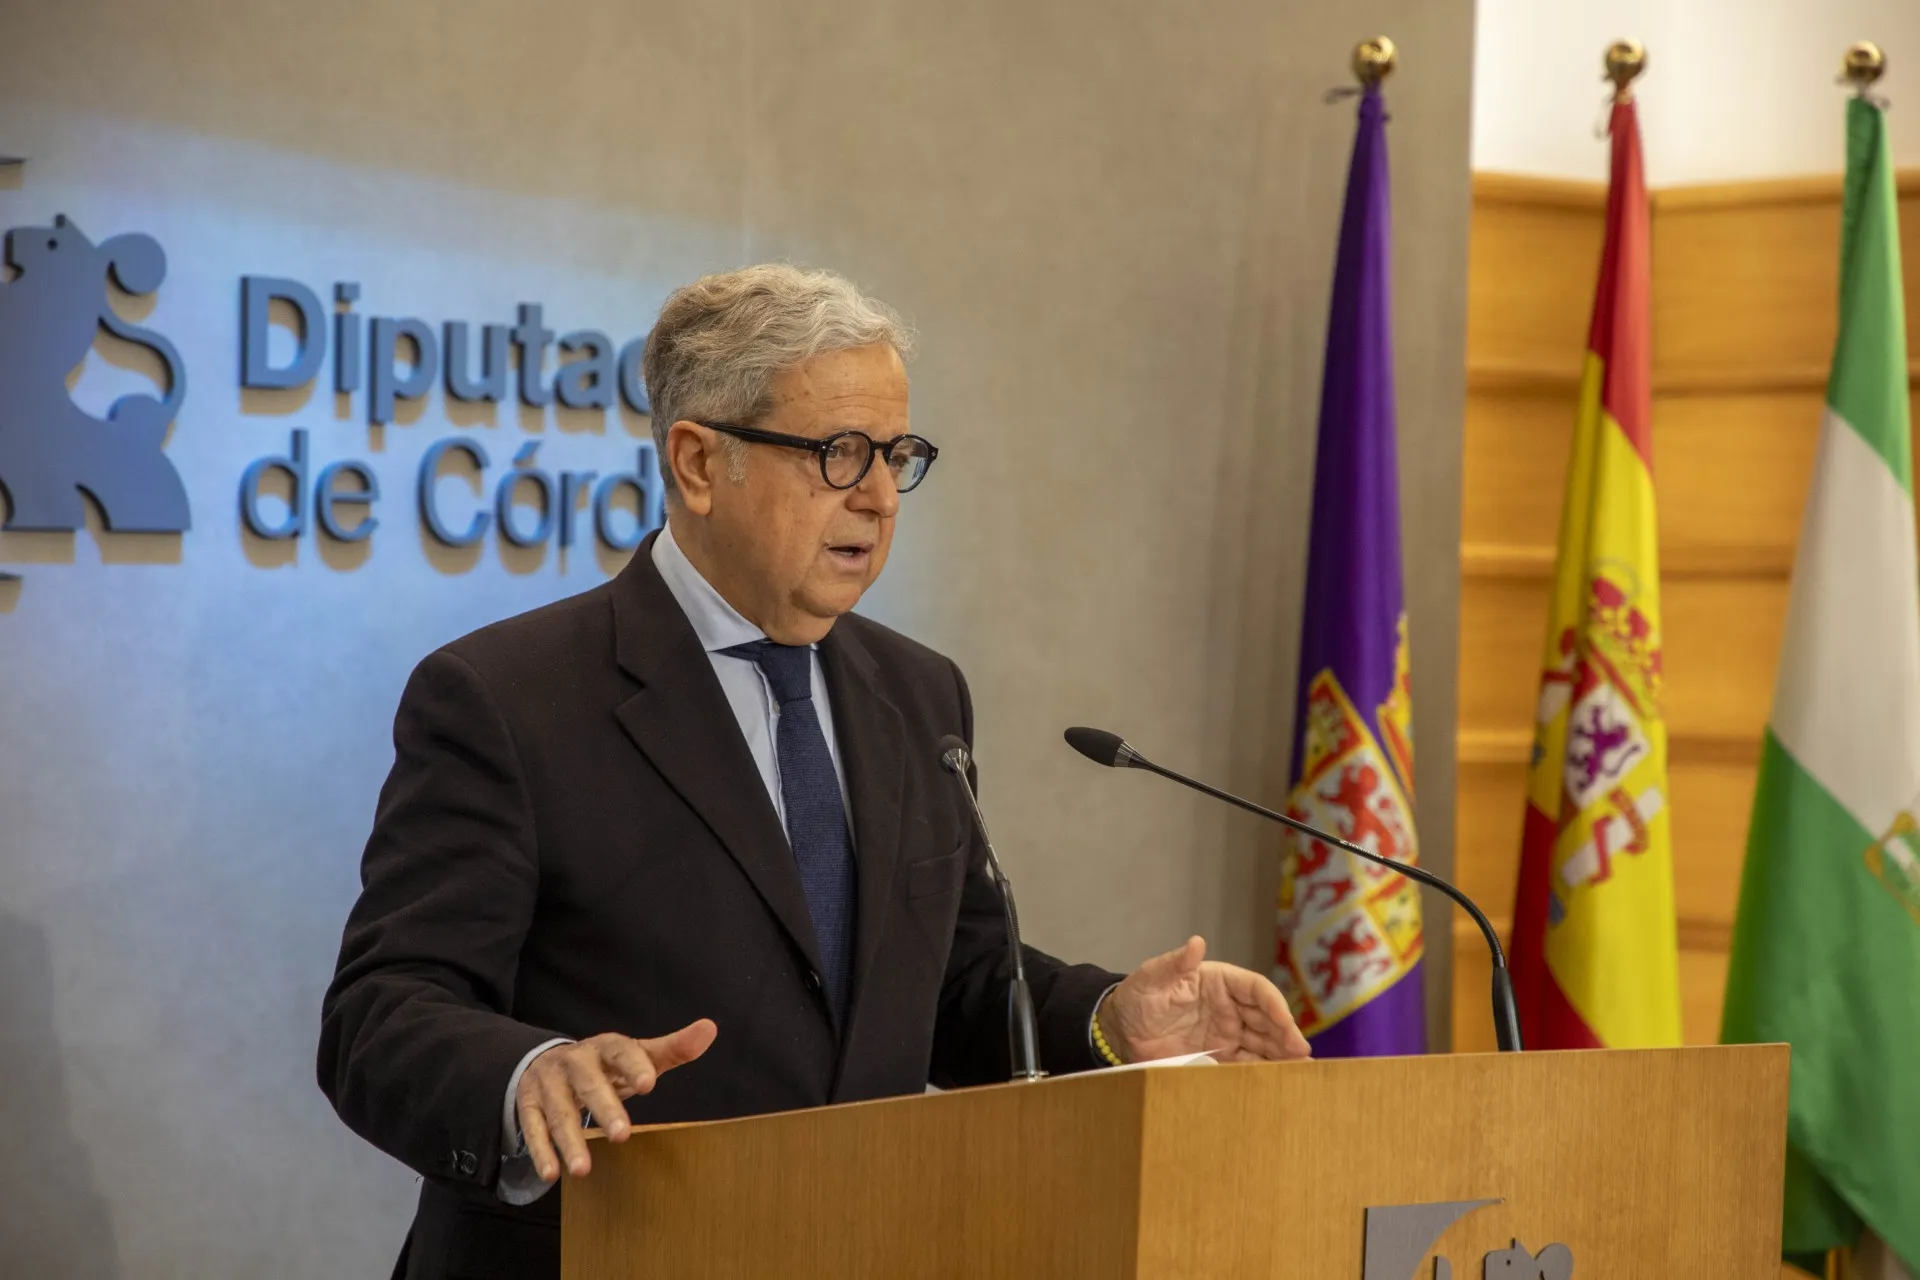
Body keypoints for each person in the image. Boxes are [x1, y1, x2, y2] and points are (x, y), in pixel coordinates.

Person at [317, 264, 1311, 1280]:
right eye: (839, 453)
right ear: (700, 463)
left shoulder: (919, 694)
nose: (879, 496)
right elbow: (382, 1013)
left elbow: (953, 981)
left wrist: (1106, 1019)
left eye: (898, 454)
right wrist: (530, 1072)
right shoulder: (506, 697)